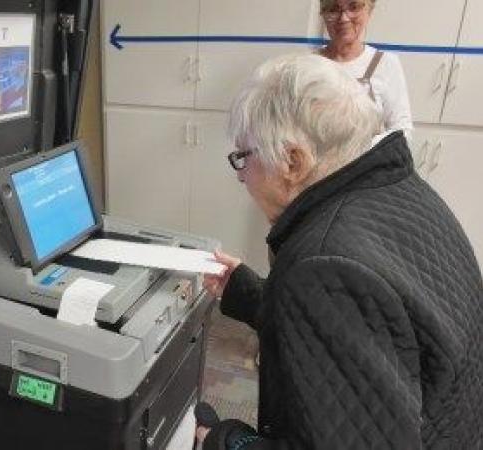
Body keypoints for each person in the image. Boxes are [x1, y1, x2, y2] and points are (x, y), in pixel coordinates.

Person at [196, 54, 483, 449]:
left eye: (244, 157)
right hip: (455, 426)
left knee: (201, 425)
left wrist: (225, 439)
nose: (242, 175)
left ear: (293, 161)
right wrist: (250, 294)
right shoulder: (400, 189)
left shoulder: (322, 263)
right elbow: (378, 323)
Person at [319, 0, 413, 139]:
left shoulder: (385, 63)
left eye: (354, 7)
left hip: (372, 160)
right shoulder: (306, 66)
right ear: (323, 14)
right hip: (319, 160)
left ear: (369, 10)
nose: (343, 18)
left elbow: (402, 131)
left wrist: (369, 153)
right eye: (333, 9)